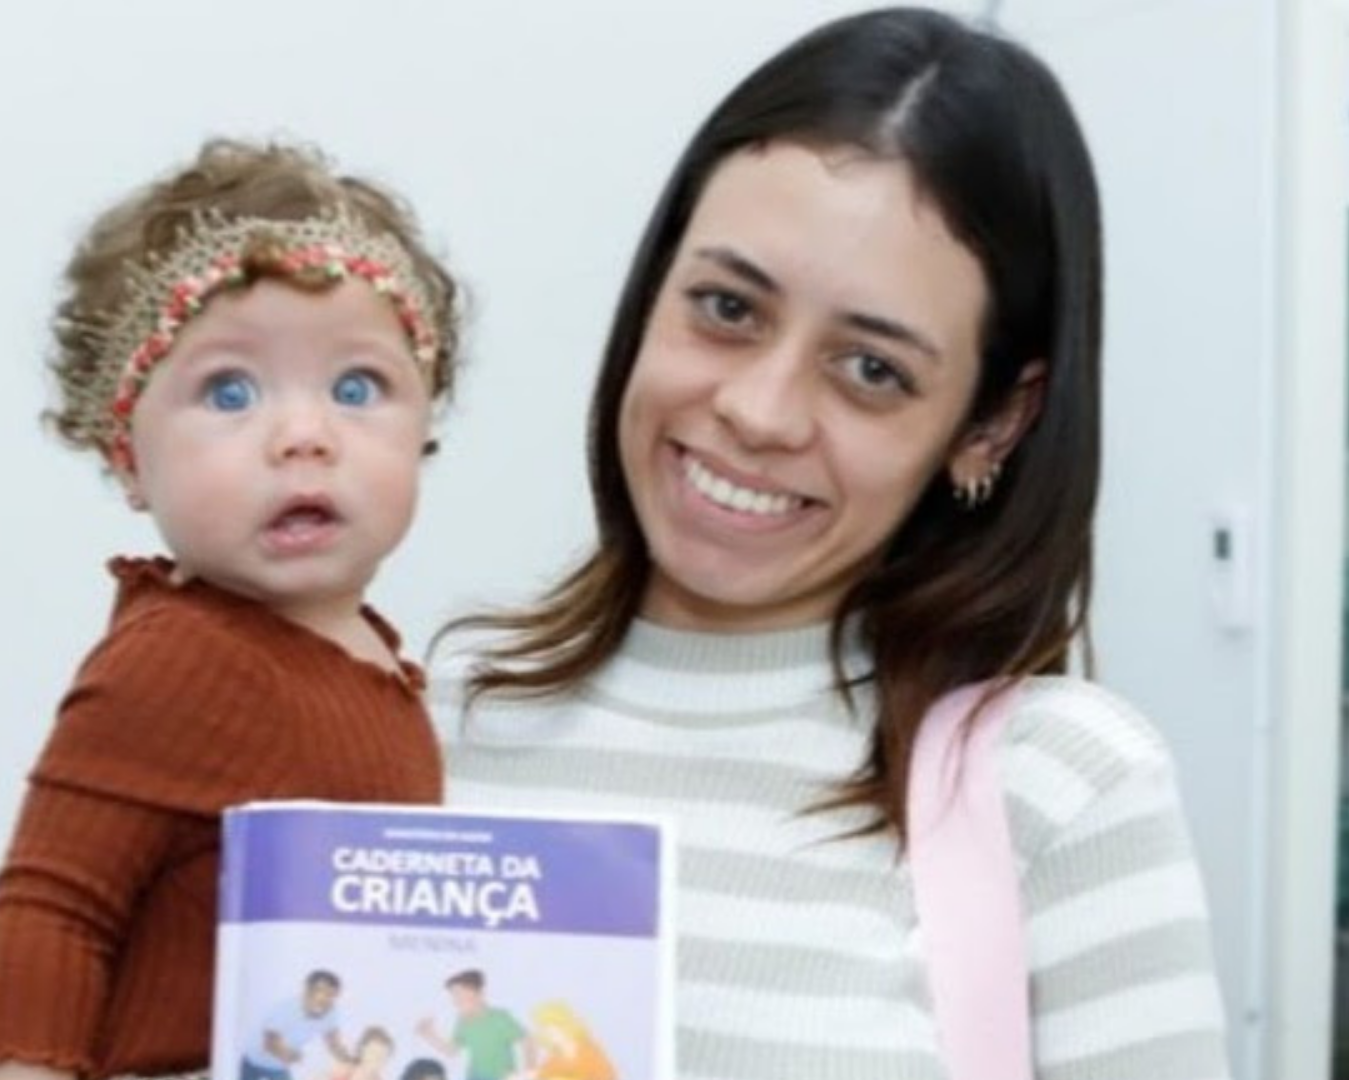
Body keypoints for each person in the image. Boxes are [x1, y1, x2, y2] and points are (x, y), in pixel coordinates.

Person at [443, 8, 1228, 1079]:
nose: (759, 411)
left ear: (993, 423)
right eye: (727, 308)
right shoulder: (431, 722)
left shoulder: (1062, 790)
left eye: (871, 370)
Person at [0, 138, 462, 1080]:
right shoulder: (182, 658)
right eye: (230, 391)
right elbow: (53, 911)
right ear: (127, 457)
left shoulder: (373, 659)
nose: (304, 435)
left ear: (423, 423)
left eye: (357, 388)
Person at [415, 970, 531, 1080]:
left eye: (460, 996)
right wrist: (429, 1034)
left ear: (479, 994)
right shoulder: (463, 1022)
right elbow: (452, 1050)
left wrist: (528, 1073)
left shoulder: (500, 1018)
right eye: (453, 996)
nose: (455, 1001)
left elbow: (527, 1041)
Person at [243, 971, 355, 1080]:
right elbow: (270, 1042)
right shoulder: (286, 1008)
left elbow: (333, 1043)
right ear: (307, 990)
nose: (326, 999)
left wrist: (349, 1060)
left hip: (278, 1068)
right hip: (252, 1061)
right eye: (321, 992)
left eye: (332, 995)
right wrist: (290, 1054)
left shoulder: (330, 1012)